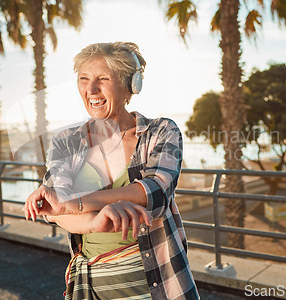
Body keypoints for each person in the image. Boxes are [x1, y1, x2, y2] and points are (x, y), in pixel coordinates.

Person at [24, 42, 199, 300]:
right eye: (84, 79)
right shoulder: (66, 141)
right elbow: (57, 212)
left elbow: (156, 192)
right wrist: (94, 220)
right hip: (91, 287)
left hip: (158, 282)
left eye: (103, 79)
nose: (91, 89)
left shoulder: (161, 131)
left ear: (130, 86)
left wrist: (77, 202)